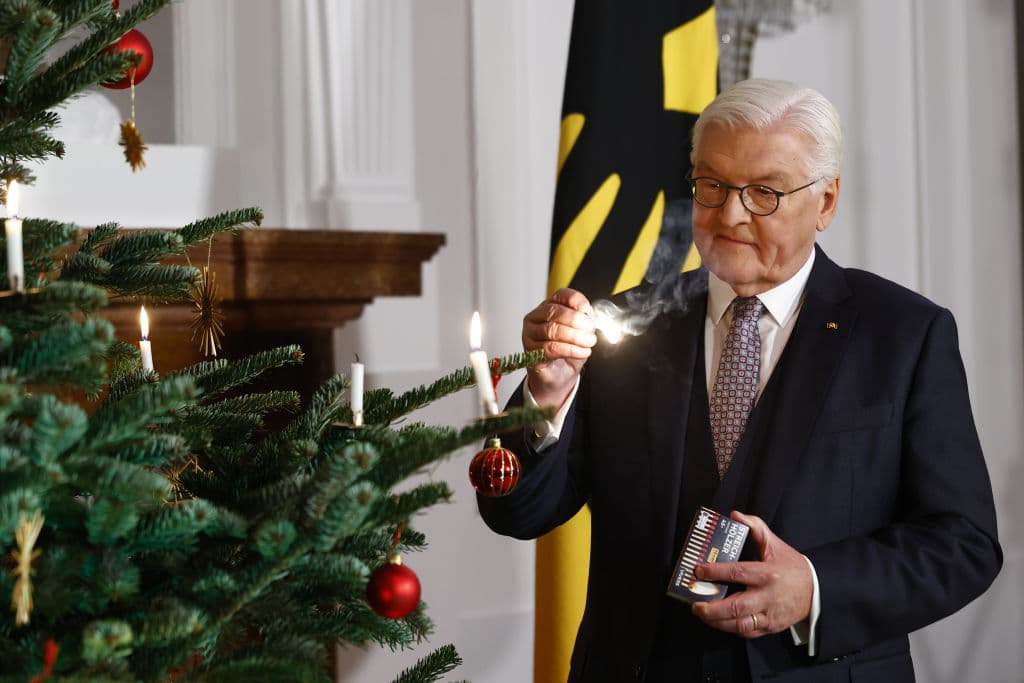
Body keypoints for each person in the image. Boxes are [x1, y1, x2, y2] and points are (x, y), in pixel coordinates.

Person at [476, 79, 1002, 682]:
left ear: (826, 201)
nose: (729, 215)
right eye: (712, 185)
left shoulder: (905, 335)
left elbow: (964, 546)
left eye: (765, 193)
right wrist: (546, 392)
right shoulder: (617, 328)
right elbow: (516, 514)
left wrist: (814, 586)